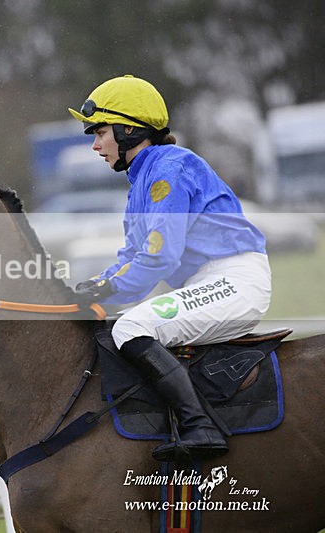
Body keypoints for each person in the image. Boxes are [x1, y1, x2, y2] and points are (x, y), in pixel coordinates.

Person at [67, 75, 272, 461]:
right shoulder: (142, 178)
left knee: (131, 326)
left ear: (129, 129)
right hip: (206, 282)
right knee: (122, 324)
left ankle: (201, 427)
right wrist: (92, 286)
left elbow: (160, 258)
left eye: (100, 132)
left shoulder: (168, 168)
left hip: (234, 280)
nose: (95, 144)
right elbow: (132, 258)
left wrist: (105, 290)